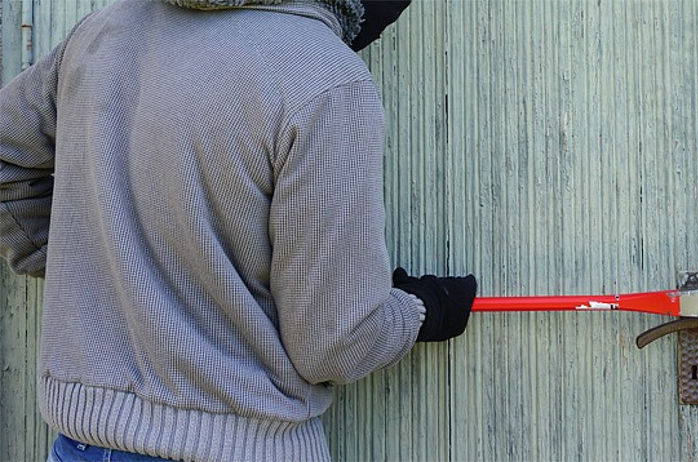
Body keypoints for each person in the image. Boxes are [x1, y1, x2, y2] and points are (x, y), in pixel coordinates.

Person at [0, 0, 477, 460]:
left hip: (81, 447)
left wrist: (94, 259)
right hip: (238, 443)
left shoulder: (103, 32)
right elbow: (334, 345)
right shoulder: (323, 75)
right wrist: (423, 310)